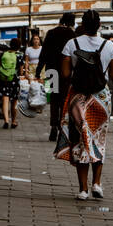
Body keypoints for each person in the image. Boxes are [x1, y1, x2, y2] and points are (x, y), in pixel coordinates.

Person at [56, 9, 113, 201]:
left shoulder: (71, 44)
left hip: (78, 97)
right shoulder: (109, 46)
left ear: (82, 25)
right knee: (98, 140)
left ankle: (83, 189)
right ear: (99, 25)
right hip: (100, 99)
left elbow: (65, 74)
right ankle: (97, 184)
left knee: (80, 140)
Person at [36, 12, 76, 142]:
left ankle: (53, 126)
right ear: (71, 22)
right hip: (66, 72)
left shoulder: (51, 32)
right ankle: (62, 128)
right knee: (64, 100)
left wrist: (38, 71)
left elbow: (44, 53)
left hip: (50, 71)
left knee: (53, 100)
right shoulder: (71, 35)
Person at [0, 38, 21, 129]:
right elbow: (21, 72)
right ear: (18, 46)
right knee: (14, 102)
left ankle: (6, 121)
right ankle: (14, 121)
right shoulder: (19, 55)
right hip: (14, 80)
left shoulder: (3, 54)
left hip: (4, 80)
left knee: (5, 100)